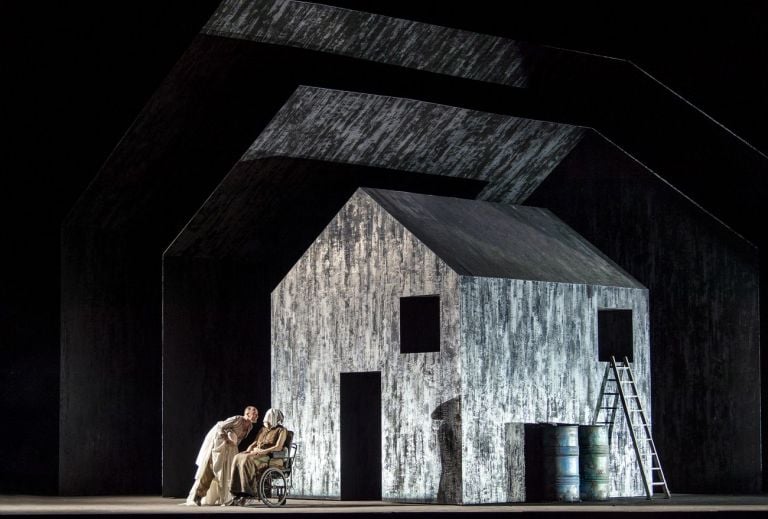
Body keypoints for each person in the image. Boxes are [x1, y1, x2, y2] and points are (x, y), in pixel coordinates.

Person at [185, 406, 259, 506]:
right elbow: (221, 426)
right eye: (254, 414)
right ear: (247, 414)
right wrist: (226, 438)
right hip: (220, 443)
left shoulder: (250, 426)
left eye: (257, 414)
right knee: (213, 467)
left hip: (230, 447)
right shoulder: (237, 419)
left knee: (228, 472)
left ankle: (227, 497)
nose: (257, 416)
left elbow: (239, 439)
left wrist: (233, 444)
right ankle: (198, 495)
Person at [229, 408, 288, 504]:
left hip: (270, 456)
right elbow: (255, 442)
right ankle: (236, 491)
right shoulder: (263, 429)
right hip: (257, 452)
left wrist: (263, 451)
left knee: (246, 460)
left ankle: (248, 492)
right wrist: (248, 450)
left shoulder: (281, 430)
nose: (266, 419)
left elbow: (278, 447)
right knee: (238, 457)